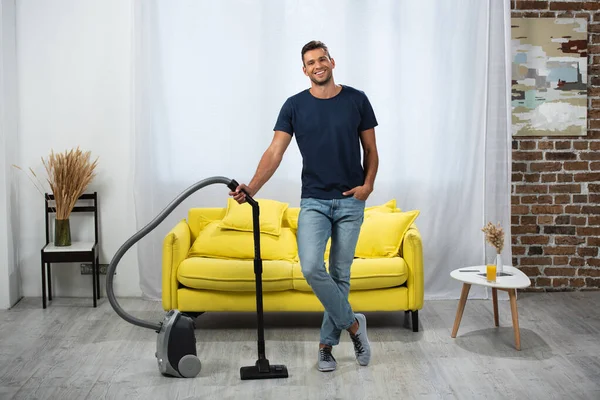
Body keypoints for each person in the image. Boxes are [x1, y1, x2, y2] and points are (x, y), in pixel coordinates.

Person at [229, 40, 379, 372]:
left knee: (340, 274)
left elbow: (370, 149)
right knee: (312, 267)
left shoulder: (357, 99)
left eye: (322, 59)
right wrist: (251, 186)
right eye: (310, 62)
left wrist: (367, 185)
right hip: (313, 200)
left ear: (332, 62)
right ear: (304, 69)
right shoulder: (294, 106)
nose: (317, 66)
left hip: (350, 201)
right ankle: (355, 326)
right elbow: (274, 152)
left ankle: (326, 346)